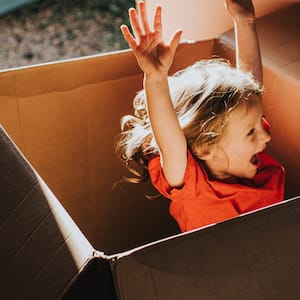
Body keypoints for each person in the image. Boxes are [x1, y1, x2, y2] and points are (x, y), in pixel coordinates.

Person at [115, 0, 285, 232]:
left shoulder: (248, 163)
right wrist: (155, 78)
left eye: (258, 125)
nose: (266, 135)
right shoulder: (193, 186)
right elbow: (171, 143)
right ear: (206, 147)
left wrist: (244, 22)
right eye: (251, 131)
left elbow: (251, 90)